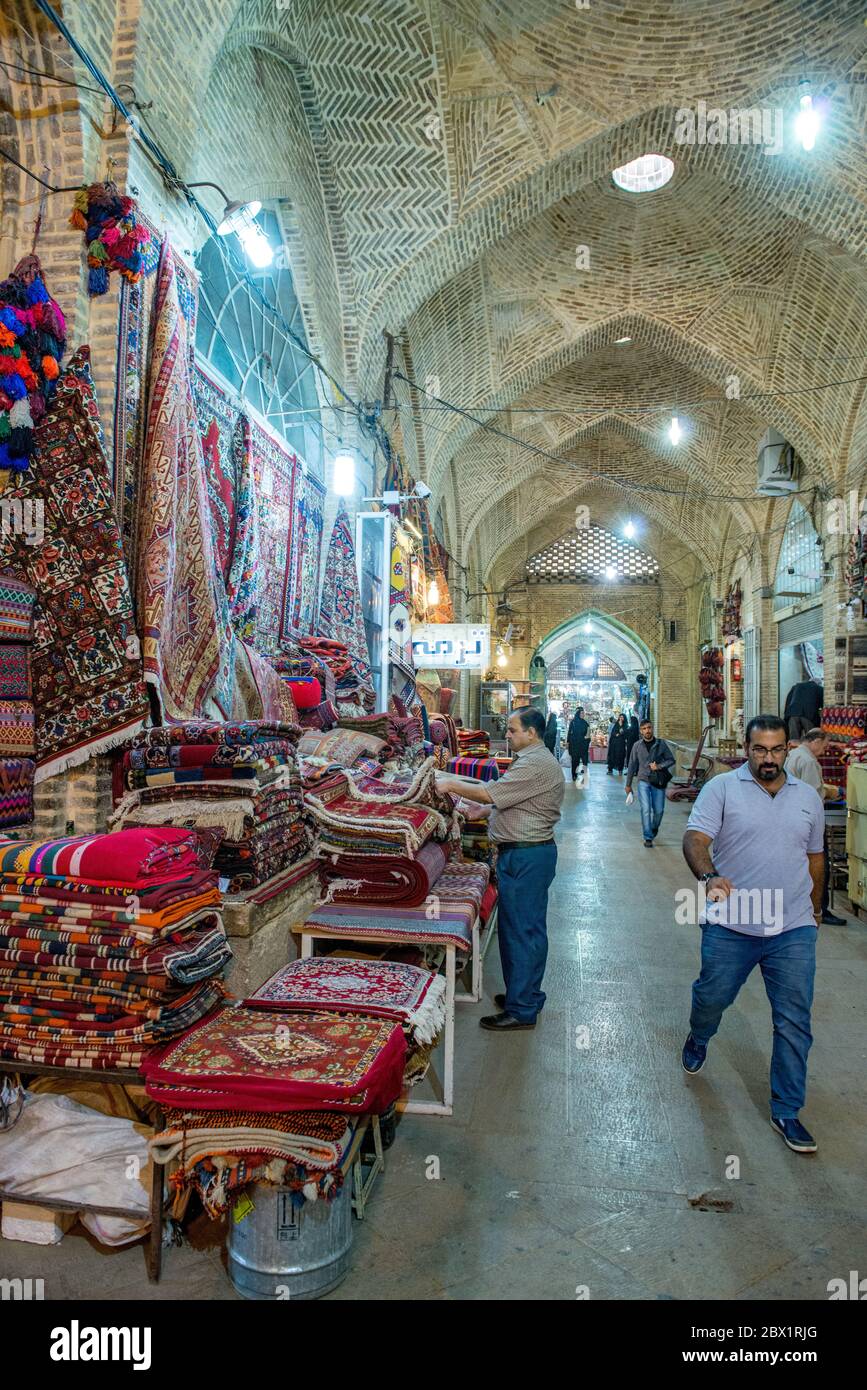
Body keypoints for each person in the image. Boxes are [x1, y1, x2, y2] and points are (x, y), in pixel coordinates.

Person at [681, 714, 825, 1154]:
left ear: (788, 749)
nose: (768, 758)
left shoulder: (807, 798)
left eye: (776, 749)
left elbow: (815, 856)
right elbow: (695, 839)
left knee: (794, 1021)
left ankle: (786, 1109)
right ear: (747, 748)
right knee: (713, 997)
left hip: (792, 927)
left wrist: (816, 908)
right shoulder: (721, 789)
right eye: (760, 750)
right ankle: (700, 1034)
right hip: (732, 924)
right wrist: (709, 877)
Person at [435, 707, 564, 1032]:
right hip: (525, 854)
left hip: (527, 857)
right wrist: (488, 809)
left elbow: (487, 790)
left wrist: (448, 783)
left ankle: (522, 1009)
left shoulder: (535, 763)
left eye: (512, 729)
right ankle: (525, 996)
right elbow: (510, 799)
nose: (506, 735)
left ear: (531, 733)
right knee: (521, 929)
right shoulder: (533, 761)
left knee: (523, 931)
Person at [785, 728, 846, 926]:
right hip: (807, 819)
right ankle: (819, 908)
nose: (825, 750)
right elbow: (812, 795)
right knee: (819, 865)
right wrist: (830, 793)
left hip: (792, 815)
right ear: (816, 741)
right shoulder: (809, 761)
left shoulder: (794, 754)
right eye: (825, 745)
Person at [624, 718, 675, 846]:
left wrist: (659, 766)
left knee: (659, 810)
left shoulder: (661, 744)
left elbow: (671, 760)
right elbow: (632, 765)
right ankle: (648, 837)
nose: (647, 731)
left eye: (649, 728)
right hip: (643, 781)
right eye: (644, 729)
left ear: (652, 729)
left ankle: (653, 828)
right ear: (641, 731)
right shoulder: (637, 746)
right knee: (645, 809)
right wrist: (628, 784)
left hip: (658, 781)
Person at [783, 676, 823, 741]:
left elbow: (788, 701)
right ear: (818, 683)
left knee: (793, 738)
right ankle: (808, 751)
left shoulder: (796, 686)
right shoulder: (819, 688)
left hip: (793, 713)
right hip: (809, 715)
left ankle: (793, 750)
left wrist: (786, 715)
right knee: (811, 738)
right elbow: (822, 704)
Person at [567, 705, 590, 783]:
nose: (583, 715)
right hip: (574, 744)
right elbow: (569, 733)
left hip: (583, 745)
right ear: (578, 714)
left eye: (584, 713)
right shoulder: (573, 722)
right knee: (575, 761)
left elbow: (588, 734)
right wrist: (568, 742)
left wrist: (586, 739)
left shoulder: (585, 723)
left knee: (584, 761)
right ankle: (574, 774)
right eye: (582, 713)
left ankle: (584, 775)